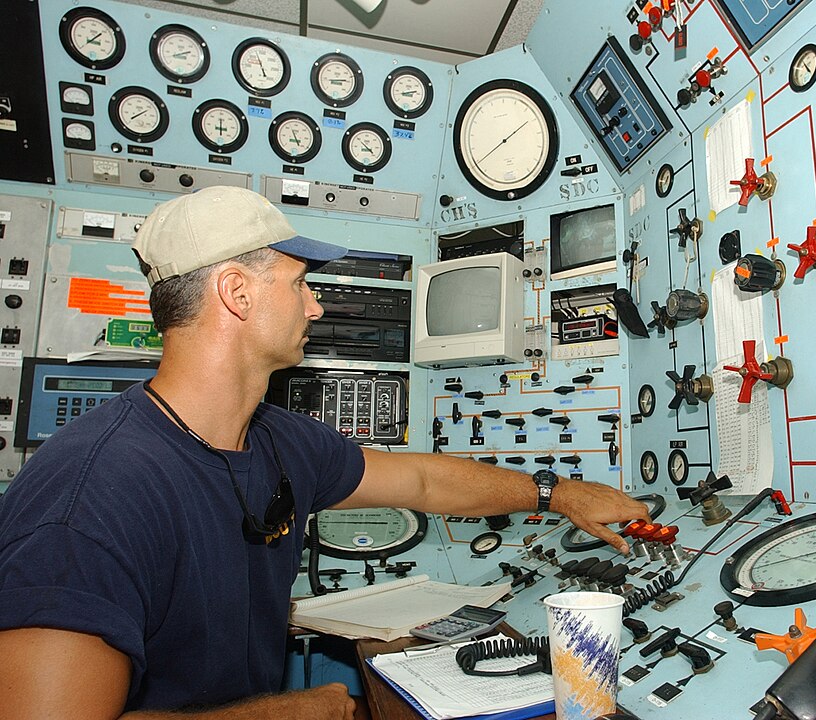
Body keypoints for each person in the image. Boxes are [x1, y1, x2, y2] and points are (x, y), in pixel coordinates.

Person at [0, 186, 651, 719]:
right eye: (300, 282)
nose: (315, 305)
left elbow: (424, 483)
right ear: (237, 292)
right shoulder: (90, 496)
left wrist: (554, 494)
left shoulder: (280, 439)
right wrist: (278, 714)